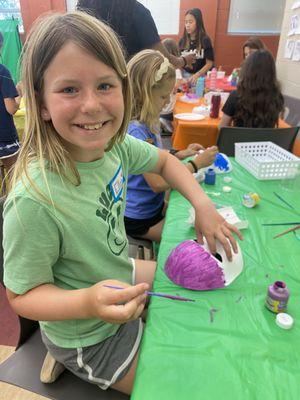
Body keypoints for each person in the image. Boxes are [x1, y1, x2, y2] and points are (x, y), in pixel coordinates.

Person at [3, 11, 241, 396]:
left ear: (124, 88)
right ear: (41, 102)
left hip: (115, 272)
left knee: (201, 287)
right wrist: (88, 302)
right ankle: (62, 355)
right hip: (90, 337)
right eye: (69, 90)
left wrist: (203, 205)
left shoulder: (113, 146)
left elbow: (164, 161)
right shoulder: (34, 200)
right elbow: (23, 296)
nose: (93, 106)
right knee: (180, 385)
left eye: (104, 85)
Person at [124, 49, 219, 243]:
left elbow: (155, 156)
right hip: (139, 219)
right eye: (162, 97)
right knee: (192, 240)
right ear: (142, 94)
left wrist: (181, 153)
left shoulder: (149, 121)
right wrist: (195, 165)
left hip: (153, 208)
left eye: (169, 95)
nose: (167, 102)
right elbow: (157, 183)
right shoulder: (135, 131)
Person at [77, 0, 195, 68]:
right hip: (131, 94)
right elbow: (162, 59)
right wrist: (183, 61)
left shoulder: (82, 12)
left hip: (91, 89)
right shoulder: (137, 12)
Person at [219, 50, 284, 128]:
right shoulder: (277, 97)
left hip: (238, 139)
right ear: (272, 72)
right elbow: (277, 124)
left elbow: (222, 128)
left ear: (247, 70)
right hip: (266, 140)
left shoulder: (236, 95)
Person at [0, 31, 21, 186]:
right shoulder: (3, 72)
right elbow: (11, 109)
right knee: (14, 173)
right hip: (4, 136)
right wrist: (20, 94)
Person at [179, 8, 214, 84]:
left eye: (190, 22)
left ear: (198, 22)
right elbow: (179, 62)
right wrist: (180, 77)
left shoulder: (205, 40)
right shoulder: (182, 41)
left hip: (201, 76)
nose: (187, 25)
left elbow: (209, 63)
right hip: (185, 76)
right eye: (186, 22)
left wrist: (197, 75)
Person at [160, 38, 184, 133]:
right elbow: (176, 87)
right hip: (168, 111)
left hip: (159, 108)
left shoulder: (161, 68)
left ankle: (162, 121)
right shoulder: (175, 69)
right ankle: (166, 123)